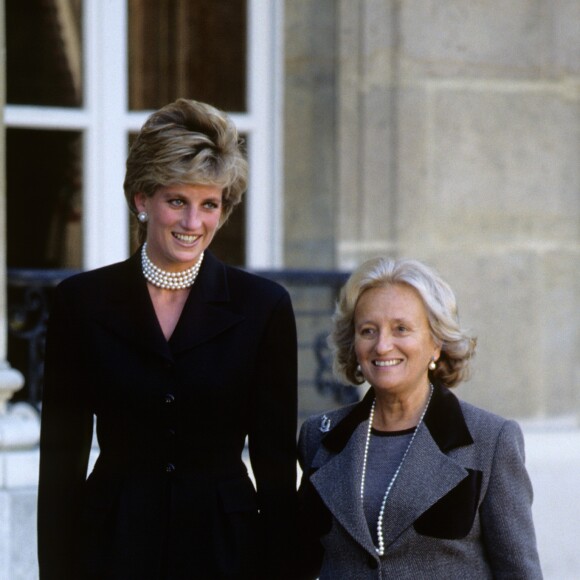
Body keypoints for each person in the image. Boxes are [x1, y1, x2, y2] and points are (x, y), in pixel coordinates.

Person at [37, 98, 298, 580]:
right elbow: (59, 462)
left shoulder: (263, 307)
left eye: (209, 205)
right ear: (142, 199)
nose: (193, 223)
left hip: (227, 553)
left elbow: (276, 464)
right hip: (112, 550)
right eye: (177, 200)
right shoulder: (81, 303)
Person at [297, 257, 542, 579]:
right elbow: (300, 560)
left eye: (401, 329)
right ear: (353, 344)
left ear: (436, 342)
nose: (383, 345)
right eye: (368, 330)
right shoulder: (320, 437)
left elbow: (518, 571)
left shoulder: (490, 440)